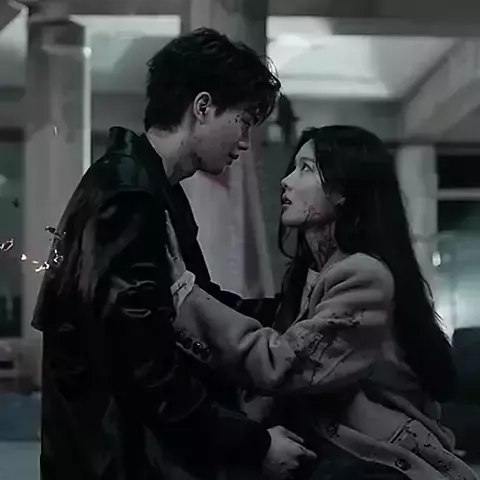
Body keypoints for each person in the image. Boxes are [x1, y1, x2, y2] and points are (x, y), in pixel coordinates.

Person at [32, 28, 316, 480]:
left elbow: (194, 301)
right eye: (243, 122)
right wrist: (253, 444)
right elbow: (143, 366)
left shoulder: (148, 186)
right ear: (202, 107)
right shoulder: (127, 195)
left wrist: (297, 311)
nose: (245, 142)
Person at [169, 126, 479, 479]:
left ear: (342, 190)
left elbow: (281, 365)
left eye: (305, 169)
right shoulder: (313, 274)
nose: (285, 181)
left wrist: (183, 292)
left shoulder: (364, 274)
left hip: (381, 468)